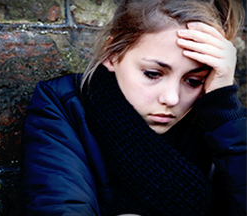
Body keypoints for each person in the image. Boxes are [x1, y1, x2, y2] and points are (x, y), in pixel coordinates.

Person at [21, 0, 247, 215]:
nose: (172, 99)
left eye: (193, 81)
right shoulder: (64, 106)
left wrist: (223, 108)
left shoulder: (218, 124)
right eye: (153, 74)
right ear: (112, 53)